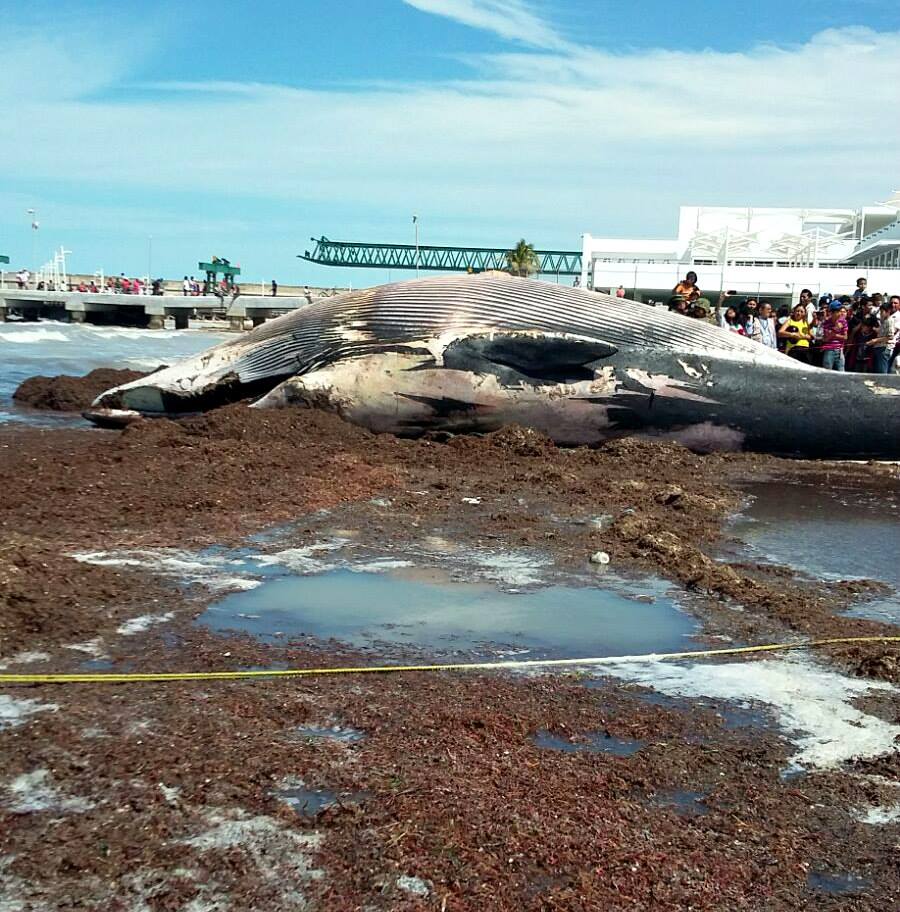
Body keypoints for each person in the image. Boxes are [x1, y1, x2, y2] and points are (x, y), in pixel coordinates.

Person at [821, 301, 848, 371]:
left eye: (840, 311)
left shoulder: (843, 321)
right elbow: (826, 339)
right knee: (827, 372)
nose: (840, 313)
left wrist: (834, 334)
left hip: (840, 350)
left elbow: (845, 337)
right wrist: (835, 329)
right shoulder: (826, 322)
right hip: (829, 350)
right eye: (838, 311)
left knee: (841, 372)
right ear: (831, 313)